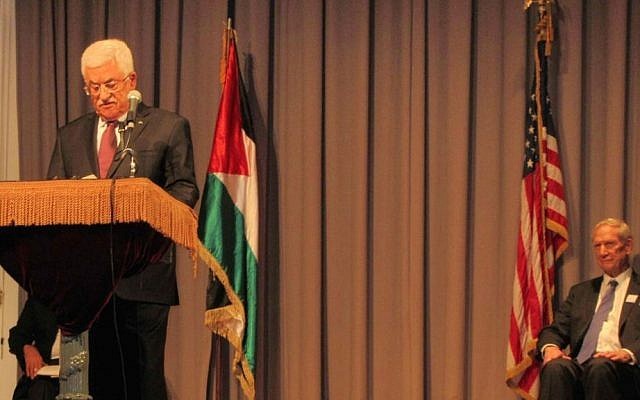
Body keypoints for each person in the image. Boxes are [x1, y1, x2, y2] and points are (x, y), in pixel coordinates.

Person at [47, 38, 199, 400]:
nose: (101, 95)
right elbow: (51, 196)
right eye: (93, 87)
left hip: (144, 276)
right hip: (88, 284)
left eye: (110, 84)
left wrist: (141, 206)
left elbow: (185, 191)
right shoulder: (70, 136)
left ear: (131, 80)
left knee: (144, 381)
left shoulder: (168, 127)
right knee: (99, 382)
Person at [537, 218, 640, 399]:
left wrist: (629, 353)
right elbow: (554, 330)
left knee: (599, 367)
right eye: (597, 246)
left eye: (609, 244)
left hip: (624, 370)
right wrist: (551, 347)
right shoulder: (581, 292)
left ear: (628, 246)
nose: (602, 252)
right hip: (581, 364)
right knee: (556, 367)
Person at [9, 298, 59, 400]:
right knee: (40, 389)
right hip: (46, 370)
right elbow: (17, 336)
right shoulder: (39, 300)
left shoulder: (93, 301)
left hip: (84, 369)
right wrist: (27, 348)